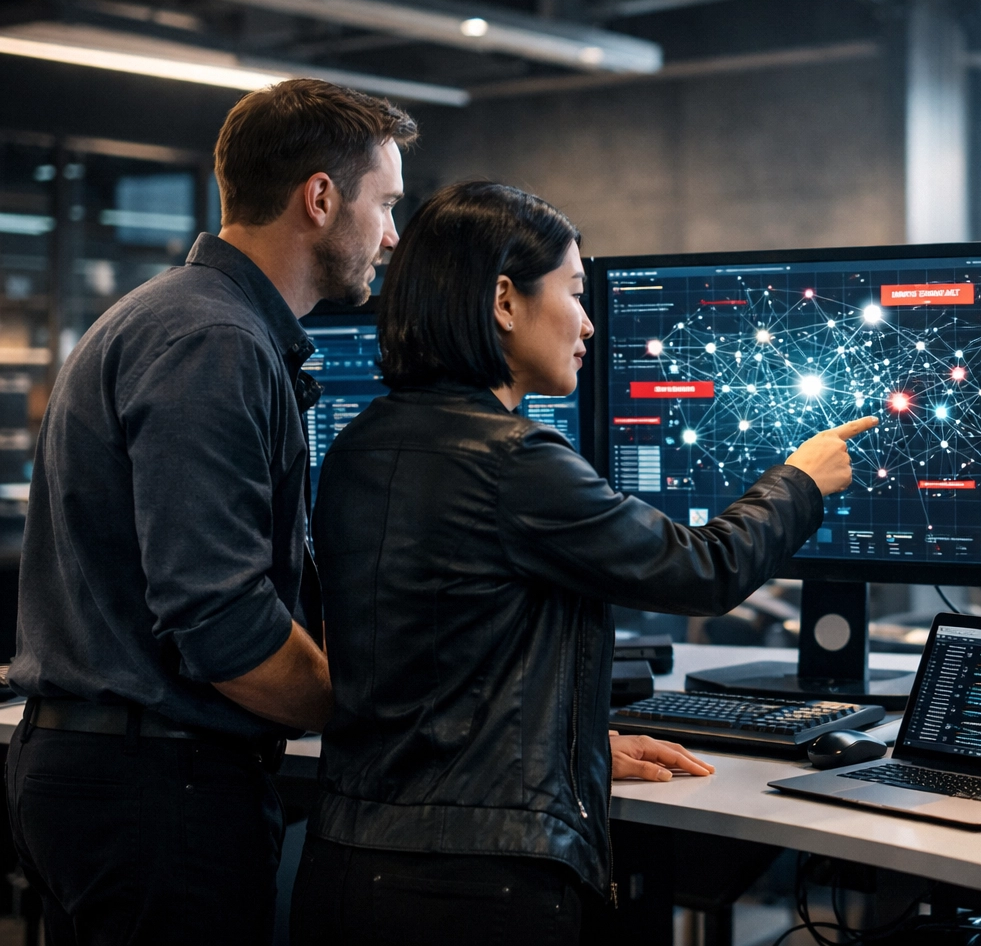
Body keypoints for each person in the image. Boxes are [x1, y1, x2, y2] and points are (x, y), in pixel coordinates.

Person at [289, 181, 874, 945]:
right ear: (504, 300)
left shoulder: (361, 444)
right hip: (475, 891)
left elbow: (434, 664)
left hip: (347, 868)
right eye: (573, 291)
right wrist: (801, 481)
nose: (590, 323)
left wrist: (568, 746)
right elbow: (703, 571)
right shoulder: (513, 461)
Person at [6, 78, 417, 945]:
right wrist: (388, 719)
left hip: (118, 777)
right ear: (319, 197)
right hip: (157, 787)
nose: (390, 235)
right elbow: (220, 621)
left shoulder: (181, 317)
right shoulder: (214, 342)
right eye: (385, 206)